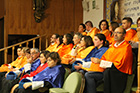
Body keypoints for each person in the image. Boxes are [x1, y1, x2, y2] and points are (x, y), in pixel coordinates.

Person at [92, 27, 133, 93]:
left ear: (124, 35)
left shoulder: (126, 47)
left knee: (107, 72)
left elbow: (119, 64)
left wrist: (100, 62)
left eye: (118, 33)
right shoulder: (113, 45)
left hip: (119, 72)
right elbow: (104, 57)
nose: (115, 35)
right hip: (109, 68)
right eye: (115, 32)